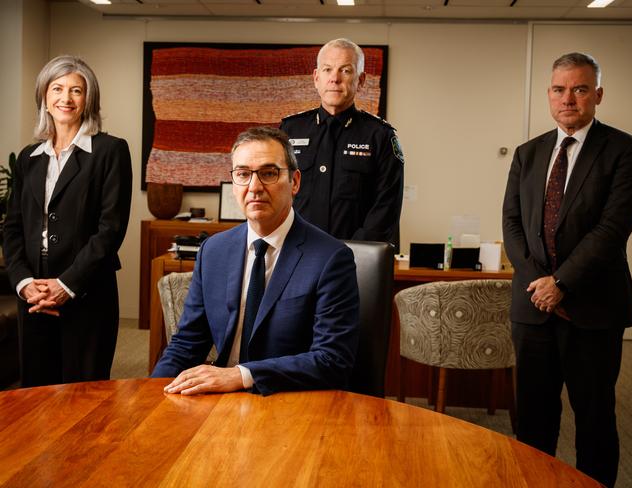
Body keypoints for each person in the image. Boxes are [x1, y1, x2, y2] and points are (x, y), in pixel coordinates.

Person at [502, 52, 632, 487]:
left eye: (580, 89)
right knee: (532, 417)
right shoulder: (529, 154)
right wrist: (538, 283)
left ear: (597, 95)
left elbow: (612, 228)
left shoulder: (624, 150)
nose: (569, 98)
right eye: (560, 89)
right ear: (549, 95)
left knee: (595, 417)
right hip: (533, 309)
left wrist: (561, 283)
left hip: (592, 309)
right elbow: (512, 223)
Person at [152, 127, 360, 396]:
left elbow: (332, 360)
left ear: (294, 182)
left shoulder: (330, 258)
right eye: (243, 174)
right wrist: (151, 392)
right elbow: (187, 344)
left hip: (289, 401)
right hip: (219, 400)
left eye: (269, 173)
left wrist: (241, 376)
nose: (254, 187)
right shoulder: (213, 251)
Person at [3, 56, 132, 387]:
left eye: (77, 90)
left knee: (84, 396)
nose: (66, 98)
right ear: (44, 97)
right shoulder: (29, 159)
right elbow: (13, 228)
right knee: (34, 395)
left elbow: (110, 230)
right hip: (33, 295)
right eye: (57, 88)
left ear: (89, 99)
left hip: (87, 291)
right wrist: (23, 283)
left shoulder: (110, 151)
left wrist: (67, 285)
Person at [280, 38, 404, 247]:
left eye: (345, 71)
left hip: (356, 258)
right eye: (327, 70)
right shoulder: (289, 130)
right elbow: (277, 192)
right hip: (296, 251)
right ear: (316, 78)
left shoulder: (380, 136)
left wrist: (351, 253)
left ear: (361, 80)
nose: (334, 79)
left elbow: (386, 207)